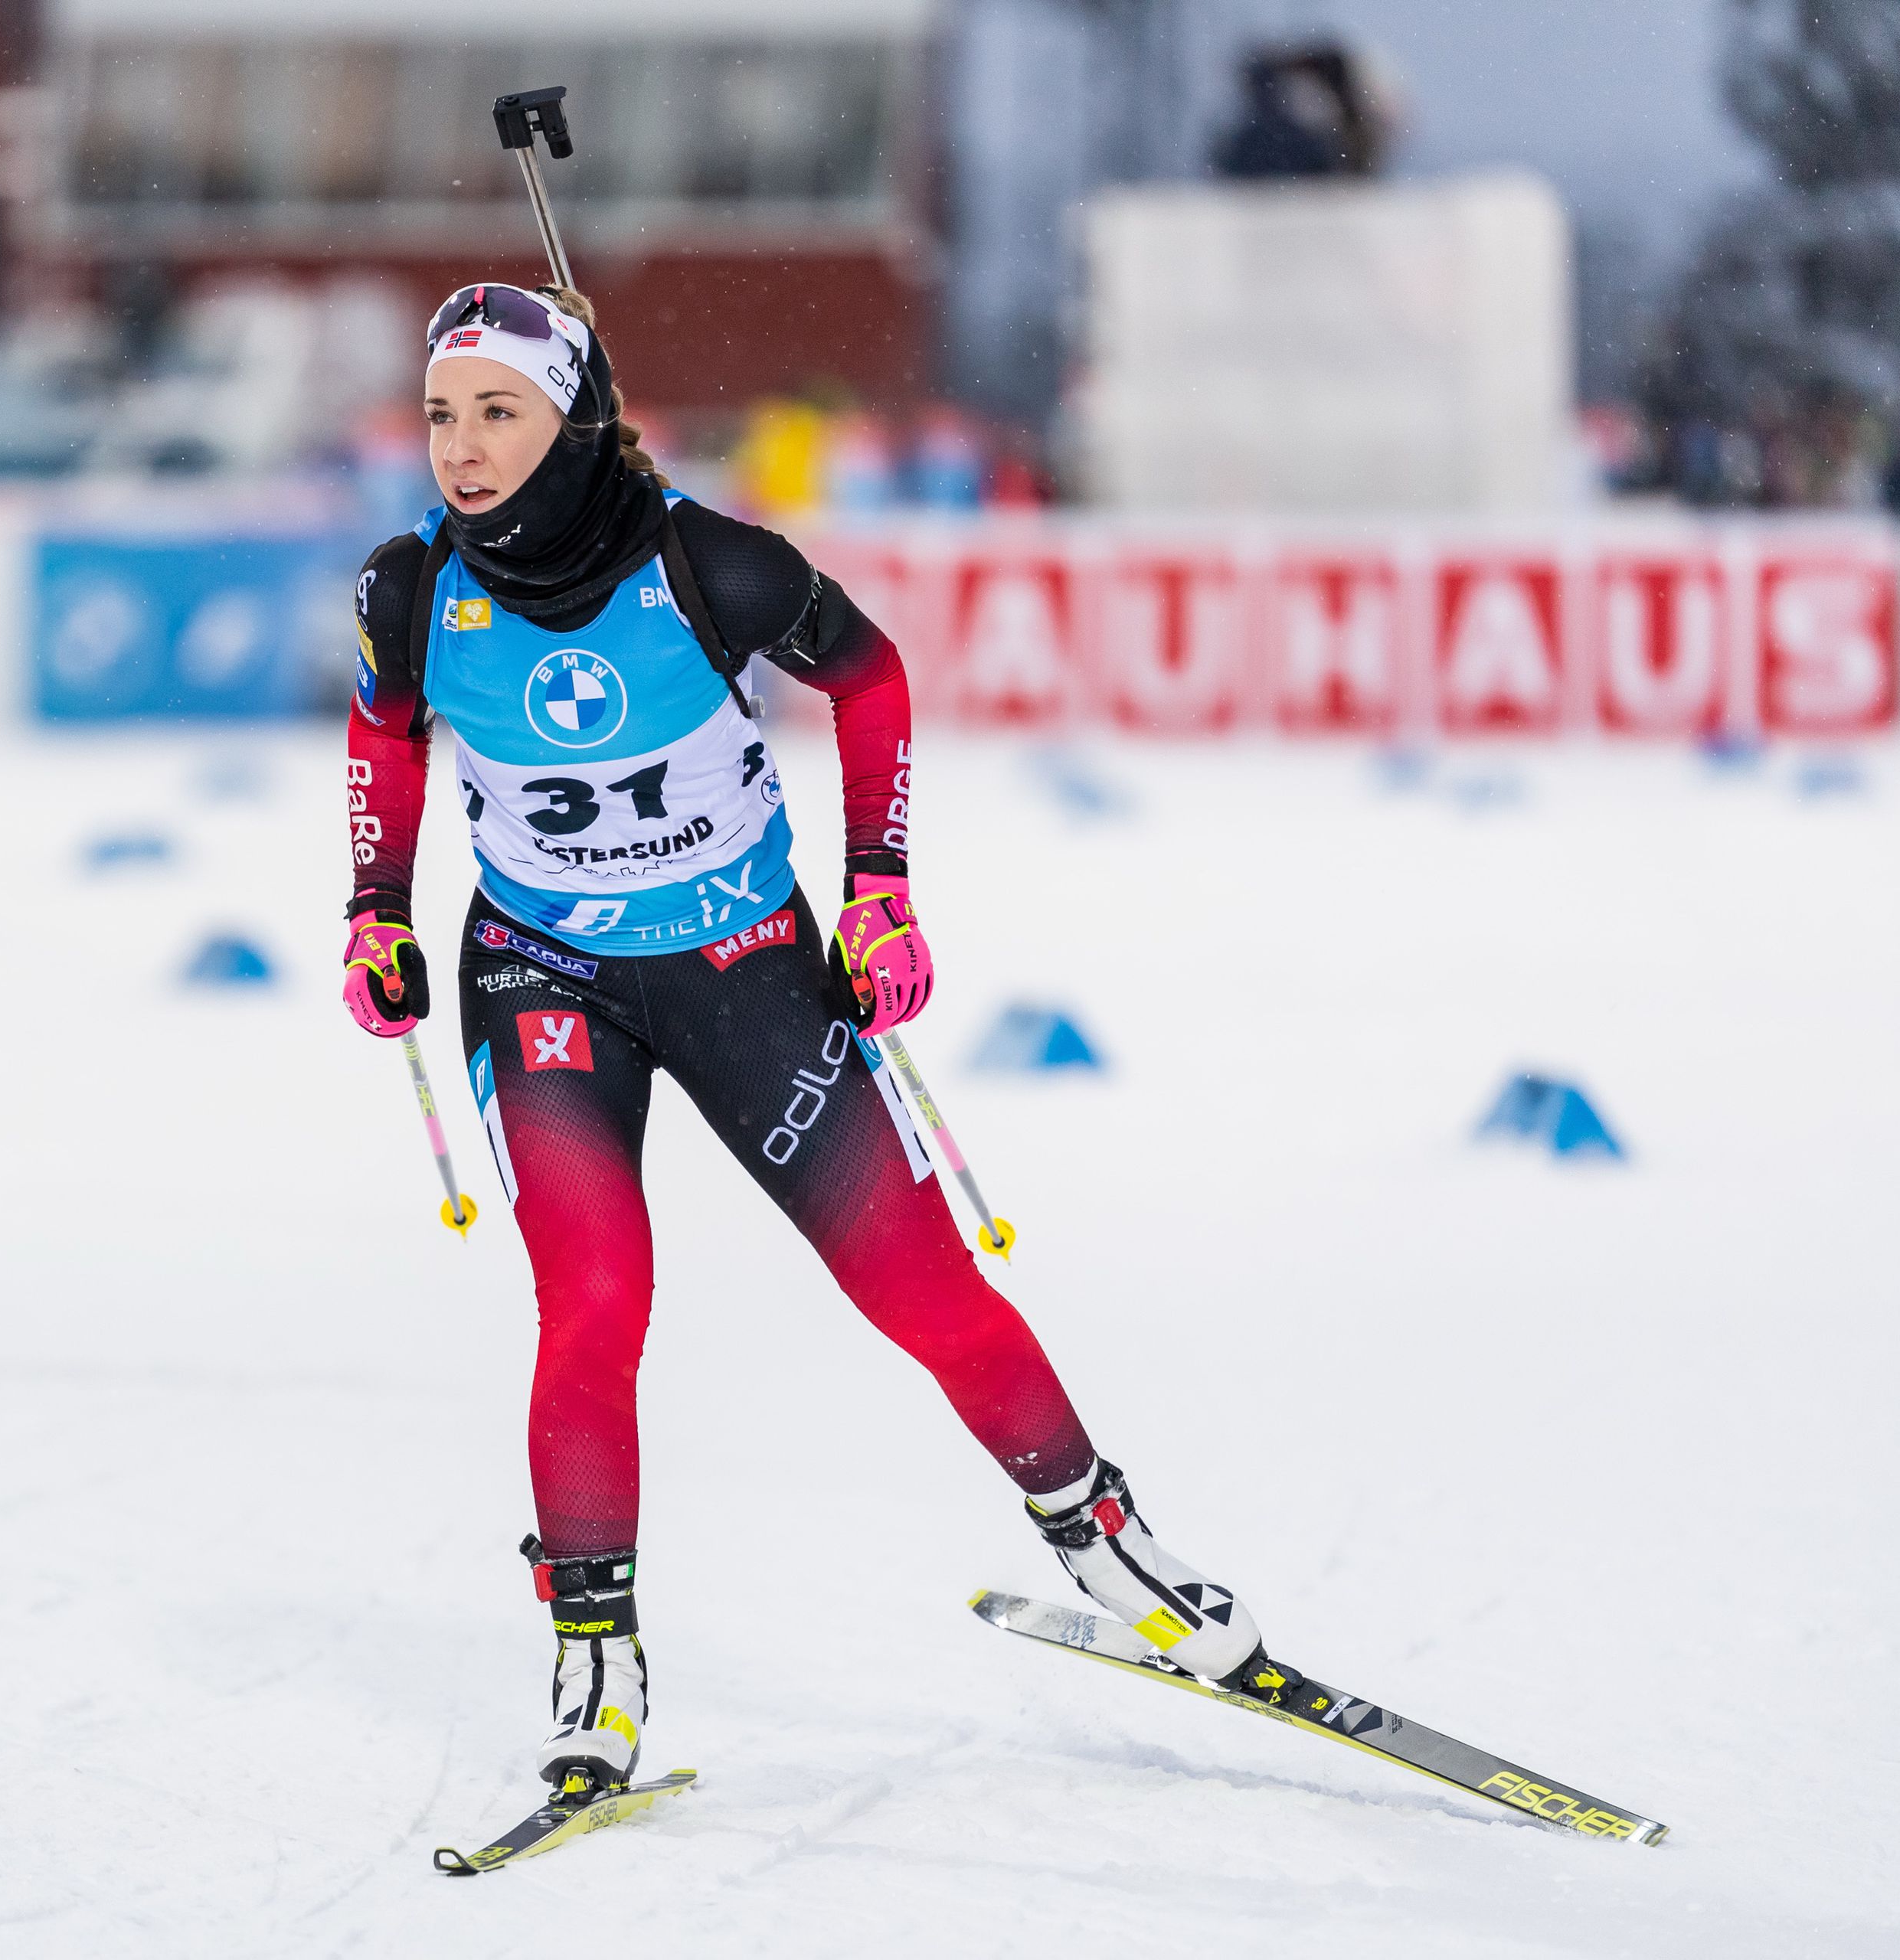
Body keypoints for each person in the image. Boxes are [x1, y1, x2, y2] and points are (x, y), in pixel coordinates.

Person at [339, 284, 1304, 1803]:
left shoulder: (708, 561)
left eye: (498, 412)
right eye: (444, 413)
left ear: (574, 416)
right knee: (594, 1303)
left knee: (918, 1282)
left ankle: (1108, 1543)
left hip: (747, 968)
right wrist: (375, 906)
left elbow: (870, 676)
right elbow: (387, 731)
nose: (459, 447)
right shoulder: (410, 590)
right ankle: (596, 1648)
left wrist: (880, 889)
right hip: (539, 977)